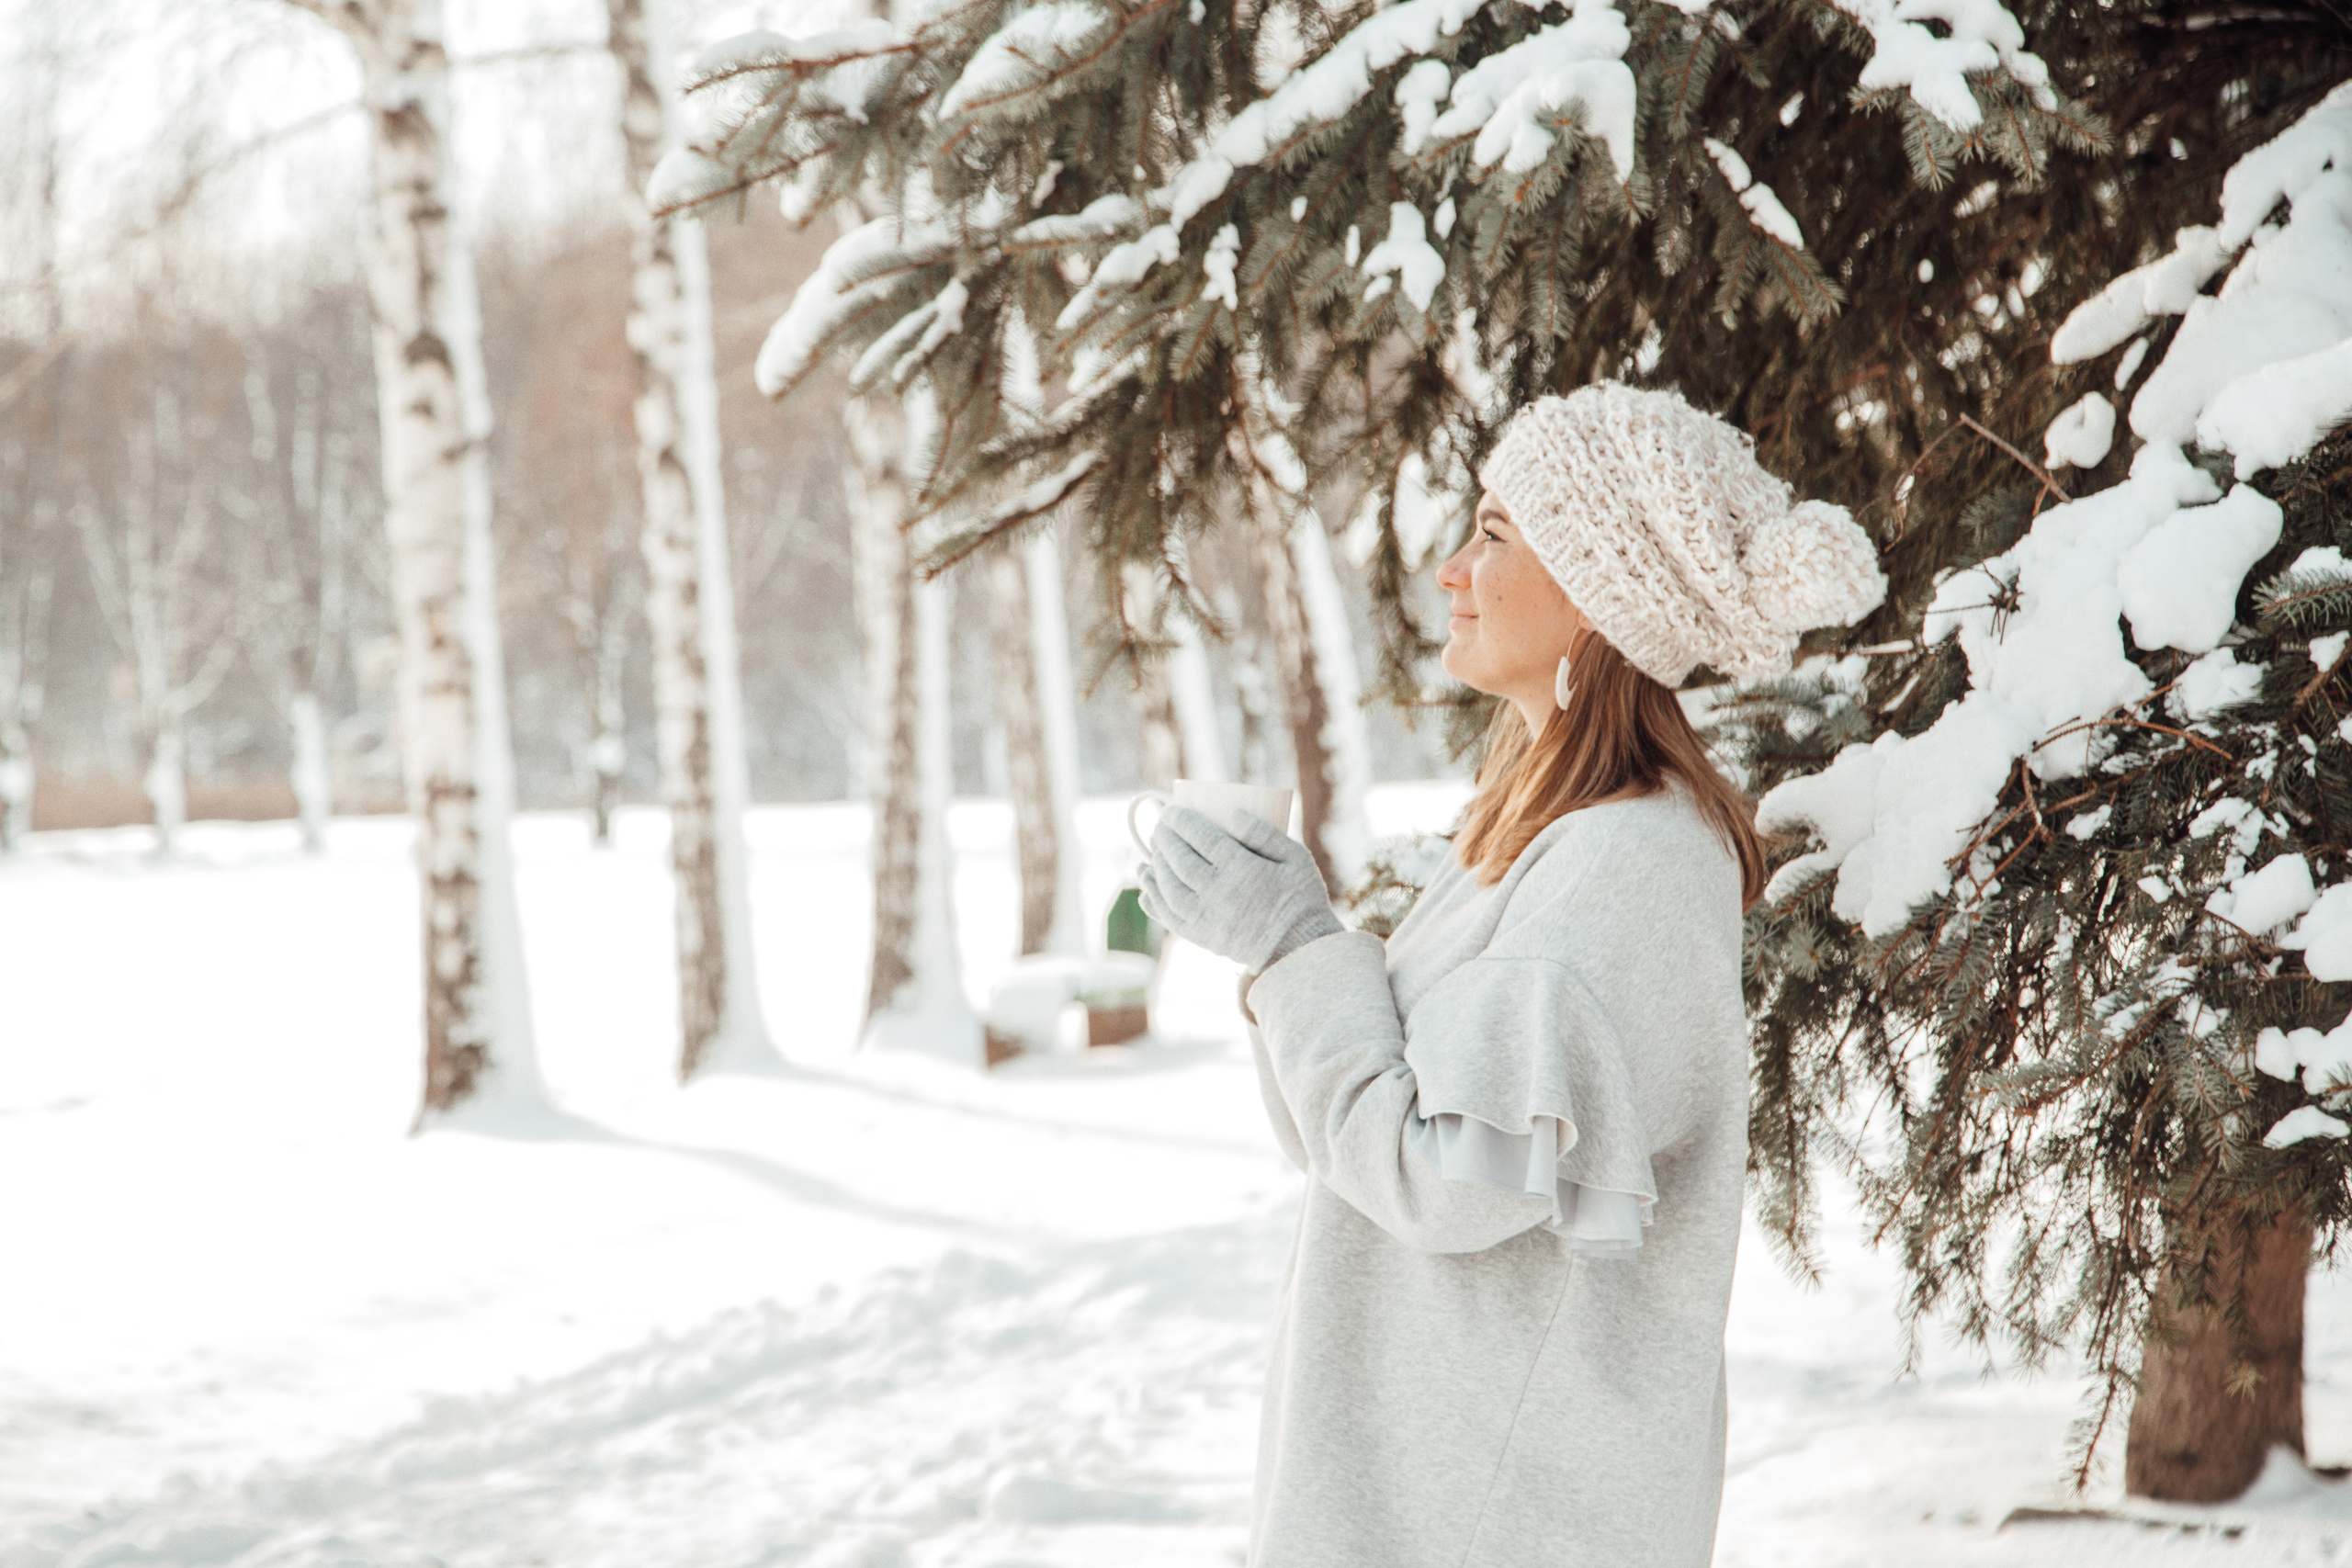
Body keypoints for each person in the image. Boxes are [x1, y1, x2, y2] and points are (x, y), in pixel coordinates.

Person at [1137, 383, 1887, 1568]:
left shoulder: (1621, 867)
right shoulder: (1543, 836)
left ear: (1598, 600)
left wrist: (1294, 946)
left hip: (1491, 1516)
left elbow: (1449, 1183)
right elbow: (1354, 1136)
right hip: (1450, 1491)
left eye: (1493, 534)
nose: (1450, 568)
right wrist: (1281, 950)